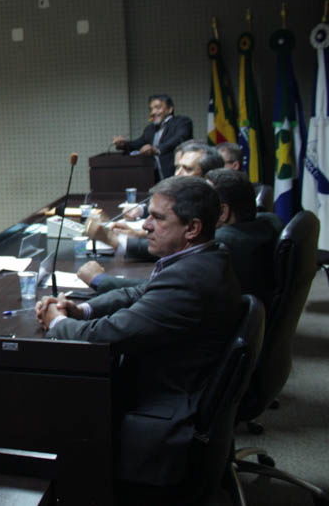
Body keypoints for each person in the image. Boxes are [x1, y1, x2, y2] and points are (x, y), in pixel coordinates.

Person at [36, 176, 240, 488]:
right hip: (183, 379)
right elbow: (140, 292)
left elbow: (105, 336)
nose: (145, 225)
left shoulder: (189, 280)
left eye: (158, 218)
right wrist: (82, 310)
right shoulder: (207, 256)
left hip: (165, 400)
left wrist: (57, 322)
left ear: (192, 228)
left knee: (52, 396)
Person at [79, 170, 282, 304]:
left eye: (204, 198)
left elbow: (164, 289)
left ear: (222, 212)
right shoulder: (266, 222)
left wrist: (100, 280)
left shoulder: (225, 243)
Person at [112, 94, 193, 179]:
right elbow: (138, 143)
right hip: (154, 176)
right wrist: (124, 144)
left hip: (176, 174)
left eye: (157, 108)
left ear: (170, 109)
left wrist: (157, 149)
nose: (153, 112)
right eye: (151, 109)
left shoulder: (182, 122)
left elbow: (179, 138)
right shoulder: (150, 129)